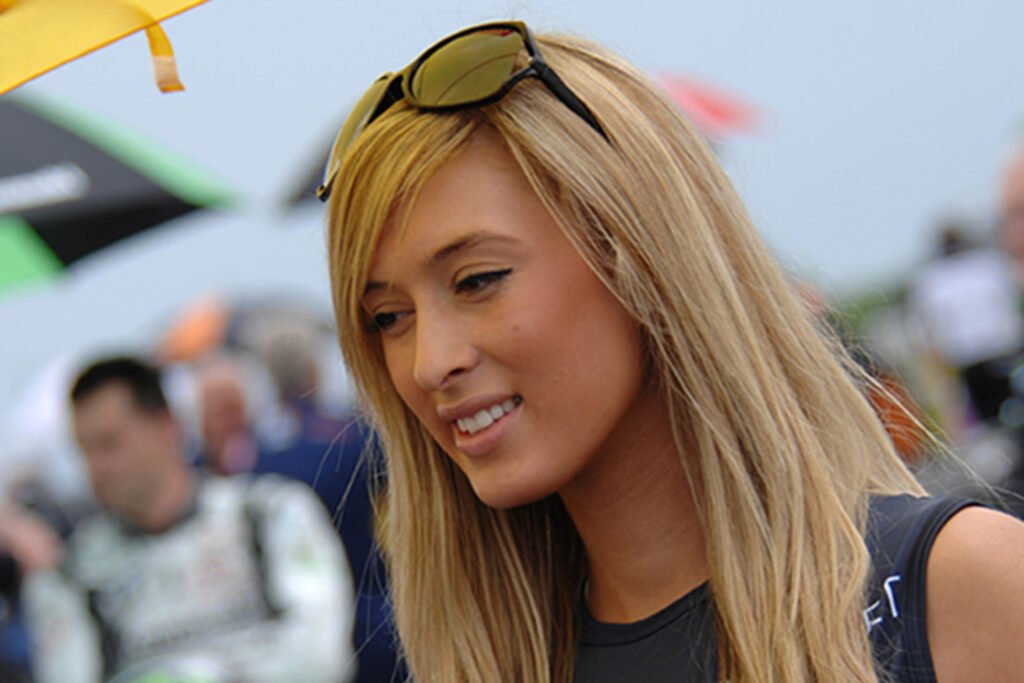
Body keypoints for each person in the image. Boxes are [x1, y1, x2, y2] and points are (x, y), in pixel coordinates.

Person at [317, 20, 1024, 682]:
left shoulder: (956, 588)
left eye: (478, 280)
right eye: (387, 318)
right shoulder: (480, 660)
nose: (428, 361)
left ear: (640, 256)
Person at [22, 356, 355, 683]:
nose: (97, 468)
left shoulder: (270, 514)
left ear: (168, 427)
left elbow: (321, 659)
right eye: (84, 449)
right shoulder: (69, 576)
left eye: (110, 444)